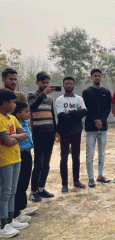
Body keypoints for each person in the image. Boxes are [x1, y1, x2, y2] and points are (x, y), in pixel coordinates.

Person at [0, 89, 29, 238]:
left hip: (16, 159)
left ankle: (10, 221)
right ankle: (2, 225)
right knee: (4, 193)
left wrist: (13, 136)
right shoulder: (0, 119)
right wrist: (14, 137)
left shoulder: (12, 118)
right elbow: (8, 142)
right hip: (4, 161)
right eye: (12, 103)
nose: (14, 105)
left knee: (12, 191)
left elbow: (24, 134)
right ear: (5, 103)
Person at [28, 71, 56, 202]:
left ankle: (41, 188)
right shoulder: (31, 95)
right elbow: (32, 108)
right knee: (38, 163)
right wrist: (43, 94)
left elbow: (52, 116)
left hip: (50, 134)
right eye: (43, 82)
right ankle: (33, 191)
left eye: (47, 83)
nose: (45, 85)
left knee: (47, 163)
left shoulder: (50, 99)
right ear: (37, 82)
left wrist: (56, 131)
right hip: (38, 134)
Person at [56, 77, 87, 193]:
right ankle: (64, 184)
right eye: (66, 84)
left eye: (71, 83)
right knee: (64, 158)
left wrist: (70, 112)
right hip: (64, 132)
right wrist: (76, 114)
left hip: (76, 131)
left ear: (74, 85)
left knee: (76, 157)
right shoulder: (59, 100)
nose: (69, 85)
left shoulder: (79, 98)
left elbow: (84, 112)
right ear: (63, 85)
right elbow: (61, 116)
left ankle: (76, 181)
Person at [82, 69, 112, 188]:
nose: (97, 78)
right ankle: (90, 178)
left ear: (101, 77)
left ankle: (100, 175)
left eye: (99, 76)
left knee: (102, 153)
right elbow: (86, 109)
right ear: (91, 78)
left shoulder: (106, 92)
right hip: (90, 128)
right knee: (90, 154)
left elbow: (107, 109)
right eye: (95, 76)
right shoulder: (86, 92)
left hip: (103, 128)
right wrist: (95, 120)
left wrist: (102, 121)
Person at [12, 102, 38, 223]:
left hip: (27, 153)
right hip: (20, 154)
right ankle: (18, 209)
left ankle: (23, 206)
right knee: (20, 183)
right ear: (18, 113)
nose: (29, 113)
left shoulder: (25, 123)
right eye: (26, 111)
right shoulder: (16, 124)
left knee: (25, 181)